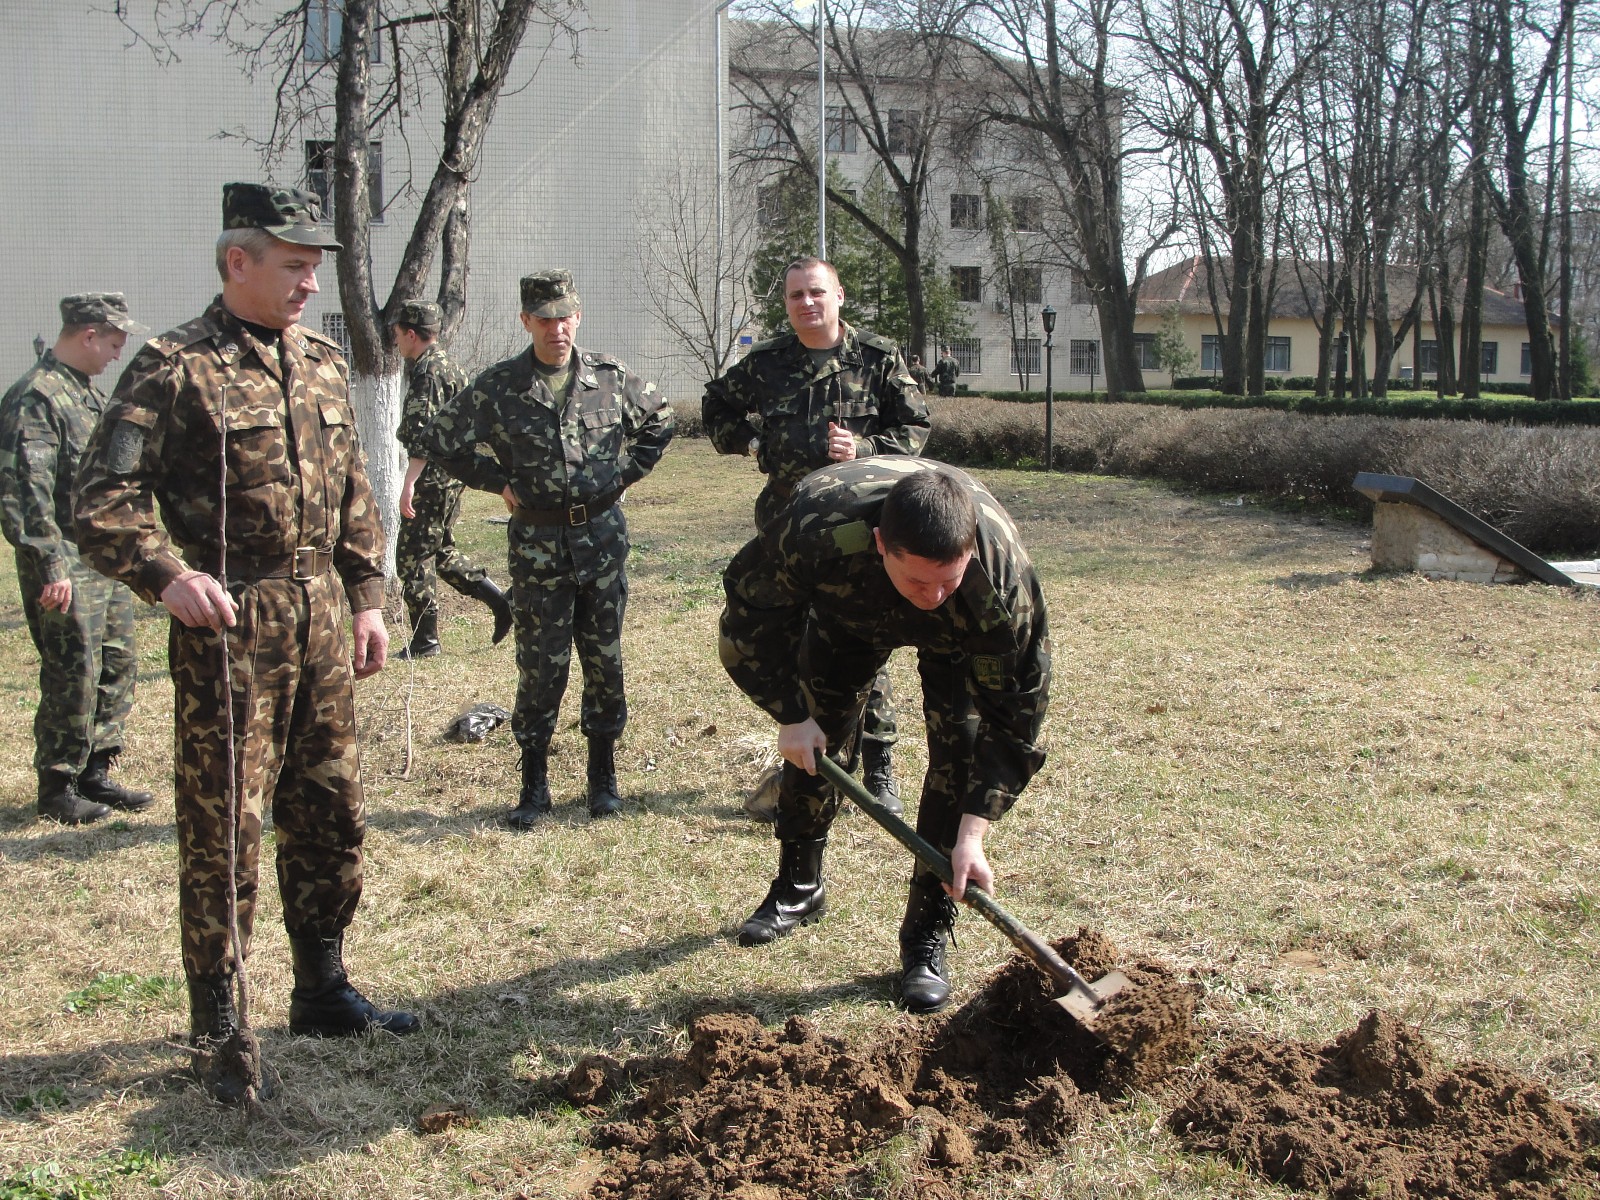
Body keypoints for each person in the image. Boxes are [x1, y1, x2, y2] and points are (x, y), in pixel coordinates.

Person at [74, 183, 418, 1105]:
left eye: (315, 268)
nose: (311, 283)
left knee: (330, 809)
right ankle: (219, 1024)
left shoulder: (322, 363)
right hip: (232, 624)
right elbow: (101, 500)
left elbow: (354, 490)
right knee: (226, 827)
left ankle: (323, 988)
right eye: (294, 266)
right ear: (238, 261)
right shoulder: (174, 367)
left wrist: (368, 600)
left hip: (321, 614)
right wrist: (166, 574)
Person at [719, 457, 1051, 1014]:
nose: (933, 595)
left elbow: (1017, 718)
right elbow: (749, 618)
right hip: (848, 610)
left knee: (959, 753)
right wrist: (790, 714)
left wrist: (973, 833)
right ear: (880, 544)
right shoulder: (816, 530)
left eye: (947, 579)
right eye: (919, 580)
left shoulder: (998, 584)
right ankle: (799, 885)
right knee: (818, 740)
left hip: (959, 640)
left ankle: (926, 933)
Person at [423, 270, 675, 827]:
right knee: (540, 666)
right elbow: (438, 440)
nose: (556, 328)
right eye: (544, 319)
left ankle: (602, 779)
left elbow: (661, 420)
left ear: (577, 318)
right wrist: (497, 480)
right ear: (526, 321)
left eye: (565, 318)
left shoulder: (609, 378)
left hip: (601, 545)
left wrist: (624, 474)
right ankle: (534, 784)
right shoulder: (499, 386)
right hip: (538, 550)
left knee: (604, 661)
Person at [702, 256, 929, 817]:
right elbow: (717, 405)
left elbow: (915, 426)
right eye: (796, 295)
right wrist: (753, 444)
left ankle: (878, 764)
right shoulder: (767, 362)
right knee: (794, 636)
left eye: (817, 292)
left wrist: (867, 449)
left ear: (838, 296)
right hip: (786, 524)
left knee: (864, 636)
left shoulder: (877, 358)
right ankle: (813, 755)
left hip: (859, 525)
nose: (807, 303)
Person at [0, 293, 155, 825]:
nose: (116, 354)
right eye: (113, 343)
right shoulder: (37, 398)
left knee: (116, 661)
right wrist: (49, 566)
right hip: (64, 560)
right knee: (75, 670)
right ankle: (58, 782)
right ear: (89, 335)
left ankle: (96, 770)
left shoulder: (83, 392)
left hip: (101, 559)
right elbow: (25, 490)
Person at [391, 299, 513, 659]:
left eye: (398, 334)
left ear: (411, 335)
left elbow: (422, 434)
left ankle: (425, 641)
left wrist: (409, 483)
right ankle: (500, 602)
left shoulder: (428, 373)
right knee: (441, 551)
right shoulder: (451, 366)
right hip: (452, 475)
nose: (396, 342)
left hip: (431, 477)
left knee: (412, 556)